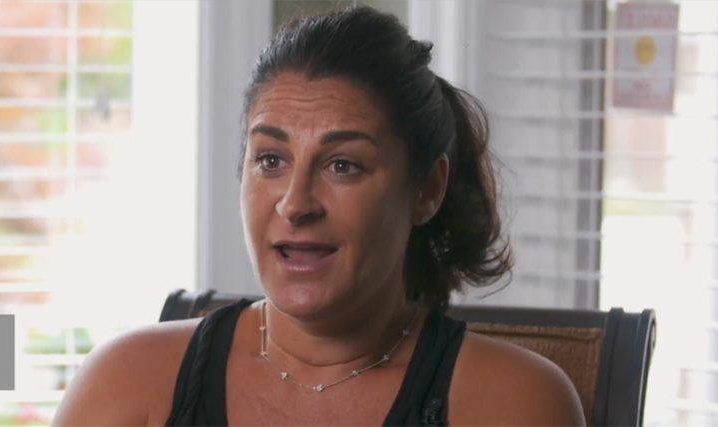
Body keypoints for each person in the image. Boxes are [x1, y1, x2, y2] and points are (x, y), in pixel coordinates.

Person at [53, 6, 585, 426]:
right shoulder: (127, 380)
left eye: (342, 165)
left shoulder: (512, 400)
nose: (295, 203)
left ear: (426, 190)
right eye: (270, 160)